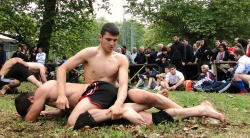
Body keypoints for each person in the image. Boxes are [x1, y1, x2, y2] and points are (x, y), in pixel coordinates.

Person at [15, 80, 225, 129]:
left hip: (102, 92)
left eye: (31, 108)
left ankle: (198, 110)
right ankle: (199, 110)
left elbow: (30, 118)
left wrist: (30, 116)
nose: (36, 111)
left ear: (32, 100)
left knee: (153, 99)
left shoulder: (45, 88)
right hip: (100, 101)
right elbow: (66, 110)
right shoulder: (54, 98)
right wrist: (50, 115)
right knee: (147, 117)